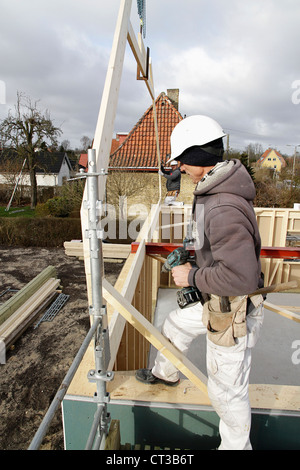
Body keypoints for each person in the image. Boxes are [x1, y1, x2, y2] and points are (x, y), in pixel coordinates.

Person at [136, 115, 264, 450]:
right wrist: (189, 251)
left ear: (196, 158)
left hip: (231, 312)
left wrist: (190, 275)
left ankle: (236, 447)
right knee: (175, 324)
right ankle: (167, 373)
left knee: (226, 393)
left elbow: (242, 278)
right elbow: (211, 237)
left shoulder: (222, 205)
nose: (178, 165)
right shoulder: (212, 186)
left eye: (181, 160)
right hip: (214, 299)